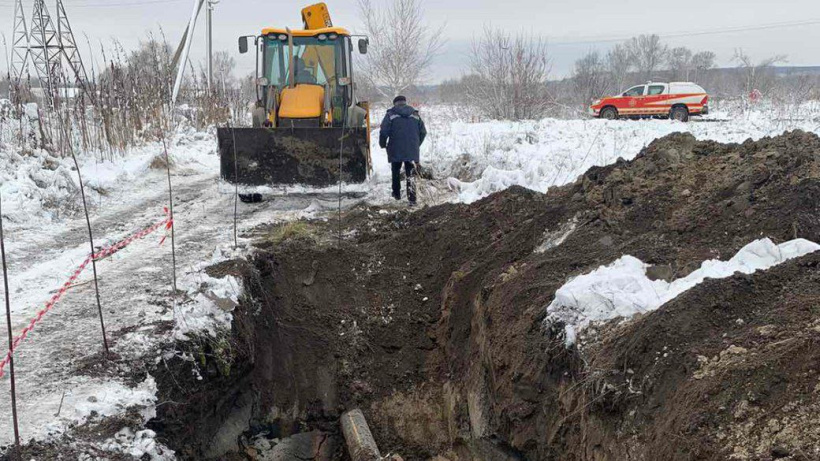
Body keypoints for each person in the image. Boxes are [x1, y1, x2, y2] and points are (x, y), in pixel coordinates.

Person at [379, 95, 427, 206]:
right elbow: (423, 132)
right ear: (405, 102)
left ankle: (396, 195)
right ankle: (412, 199)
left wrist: (382, 144)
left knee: (395, 171)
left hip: (395, 148)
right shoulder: (415, 114)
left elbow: (383, 132)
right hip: (411, 149)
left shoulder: (390, 114)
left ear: (395, 103)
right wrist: (416, 144)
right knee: (410, 173)